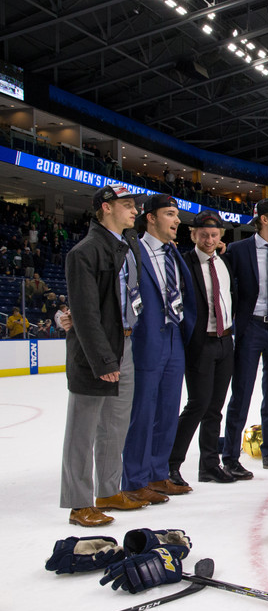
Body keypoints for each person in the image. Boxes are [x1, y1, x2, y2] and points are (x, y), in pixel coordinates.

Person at [60, 185, 147, 527]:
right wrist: (102, 360)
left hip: (124, 344)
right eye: (127, 205)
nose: (135, 211)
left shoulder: (128, 246)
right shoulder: (84, 252)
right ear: (105, 208)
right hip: (95, 353)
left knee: (115, 425)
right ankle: (79, 502)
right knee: (82, 430)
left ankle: (109, 491)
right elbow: (84, 314)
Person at [121, 194, 197, 505]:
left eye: (176, 214)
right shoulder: (131, 250)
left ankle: (156, 472)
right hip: (146, 339)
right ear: (150, 218)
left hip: (174, 336)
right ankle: (134, 479)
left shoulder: (174, 253)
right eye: (170, 214)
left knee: (168, 409)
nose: (177, 220)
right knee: (144, 410)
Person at [222, 199, 268, 475]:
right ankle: (230, 457)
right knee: (241, 393)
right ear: (264, 219)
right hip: (251, 327)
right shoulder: (238, 250)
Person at [169, 211, 237, 486]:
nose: (209, 239)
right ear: (193, 234)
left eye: (214, 235)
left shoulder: (224, 262)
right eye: (204, 234)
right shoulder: (183, 263)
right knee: (197, 404)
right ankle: (171, 464)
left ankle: (209, 465)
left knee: (215, 408)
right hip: (201, 343)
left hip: (225, 341)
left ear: (221, 236)